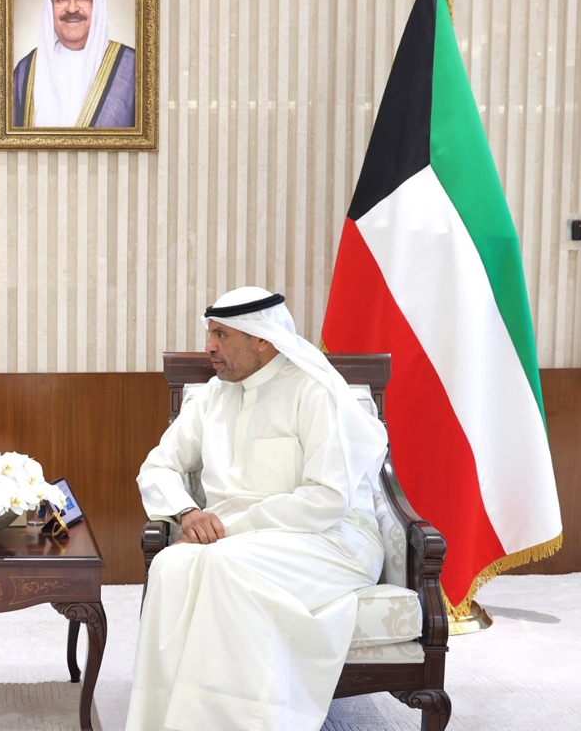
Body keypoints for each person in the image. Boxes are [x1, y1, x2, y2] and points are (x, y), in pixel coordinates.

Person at [128, 287, 390, 731]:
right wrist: (188, 513)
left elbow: (327, 499)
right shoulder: (211, 398)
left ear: (262, 339)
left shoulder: (312, 392)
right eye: (210, 333)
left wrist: (229, 528)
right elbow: (157, 467)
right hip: (236, 541)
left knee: (224, 564)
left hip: (330, 539)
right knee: (170, 567)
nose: (209, 346)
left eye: (221, 335)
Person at [12, 0, 136, 128]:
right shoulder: (25, 70)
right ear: (50, 9)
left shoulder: (133, 68)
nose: (71, 8)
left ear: (97, 6)